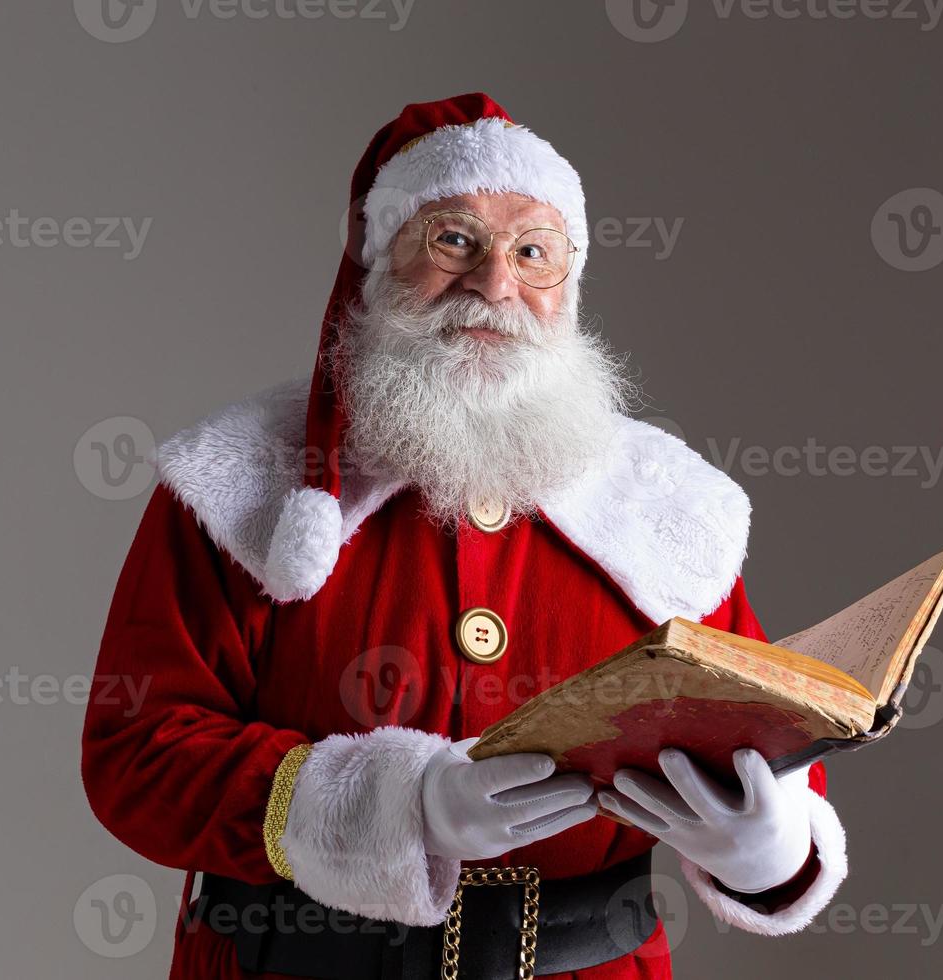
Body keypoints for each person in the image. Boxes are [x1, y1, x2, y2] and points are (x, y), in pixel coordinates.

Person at [81, 92, 847, 980]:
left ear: (571, 283)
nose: (495, 284)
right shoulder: (236, 477)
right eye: (454, 240)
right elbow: (134, 756)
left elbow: (765, 740)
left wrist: (771, 851)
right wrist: (406, 807)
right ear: (376, 261)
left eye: (533, 251)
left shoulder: (668, 504)